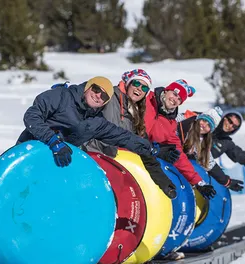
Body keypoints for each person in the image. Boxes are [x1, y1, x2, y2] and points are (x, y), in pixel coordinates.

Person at [16, 76, 159, 167]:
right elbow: (32, 116)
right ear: (87, 87)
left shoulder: (96, 122)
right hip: (29, 151)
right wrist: (53, 141)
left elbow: (122, 136)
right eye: (96, 89)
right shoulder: (62, 96)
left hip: (57, 162)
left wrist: (148, 148)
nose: (98, 96)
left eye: (103, 96)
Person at [84, 69, 180, 199]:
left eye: (144, 87)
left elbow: (145, 152)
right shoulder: (110, 96)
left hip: (105, 161)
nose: (139, 88)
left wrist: (164, 183)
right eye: (136, 83)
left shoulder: (135, 116)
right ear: (128, 83)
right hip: (87, 154)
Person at [144, 79, 216, 200]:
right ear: (166, 91)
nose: (175, 100)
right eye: (175, 94)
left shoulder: (171, 124)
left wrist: (198, 183)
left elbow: (179, 155)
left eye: (179, 100)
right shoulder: (146, 99)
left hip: (143, 152)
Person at [176, 107, 244, 192]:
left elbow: (209, 163)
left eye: (209, 125)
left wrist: (227, 182)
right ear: (199, 118)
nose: (204, 125)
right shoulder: (182, 121)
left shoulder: (200, 141)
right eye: (204, 120)